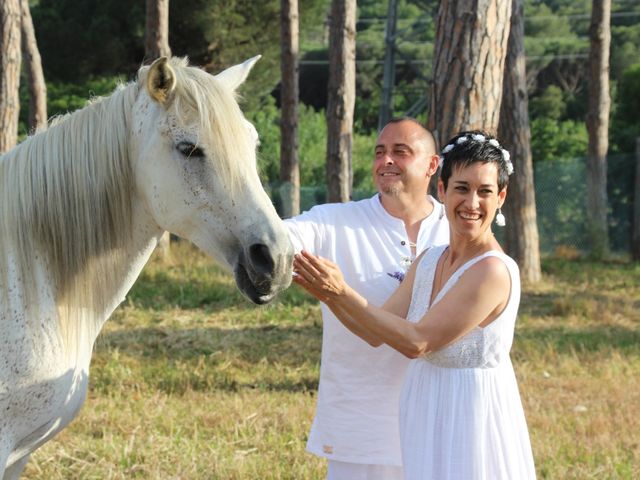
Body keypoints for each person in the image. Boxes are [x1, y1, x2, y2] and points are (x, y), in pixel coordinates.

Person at [293, 131, 536, 479]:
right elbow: (376, 331)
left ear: (501, 197)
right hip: (427, 407)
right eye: (462, 188)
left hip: (469, 416)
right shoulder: (430, 260)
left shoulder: (493, 271)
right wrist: (329, 294)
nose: (472, 203)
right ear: (442, 190)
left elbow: (417, 341)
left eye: (484, 191)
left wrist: (341, 291)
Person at [285, 118, 449, 479]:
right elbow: (279, 239)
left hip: (443, 422)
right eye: (379, 152)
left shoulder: (456, 230)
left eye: (400, 152)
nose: (385, 160)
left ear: (433, 165)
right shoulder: (336, 221)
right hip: (363, 429)